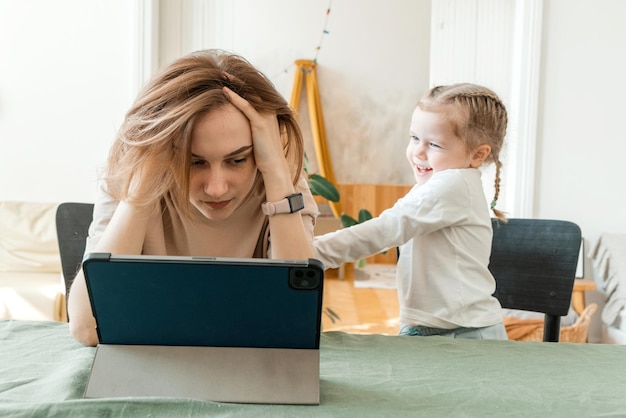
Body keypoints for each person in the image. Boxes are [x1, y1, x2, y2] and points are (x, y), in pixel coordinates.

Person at [68, 49, 318, 346]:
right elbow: (87, 329)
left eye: (237, 160)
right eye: (194, 162)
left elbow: (296, 321)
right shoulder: (131, 177)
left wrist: (276, 172)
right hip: (152, 354)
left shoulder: (283, 182)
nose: (216, 188)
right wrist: (144, 183)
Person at [314, 83, 509, 340]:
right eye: (415, 138)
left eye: (434, 145)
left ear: (477, 155)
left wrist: (314, 252)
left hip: (462, 334)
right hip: (443, 328)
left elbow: (388, 227)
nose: (418, 151)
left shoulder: (454, 184)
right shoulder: (439, 185)